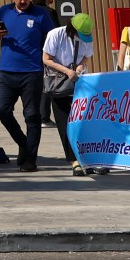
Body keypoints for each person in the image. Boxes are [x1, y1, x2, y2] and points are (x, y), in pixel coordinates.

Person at [0, 0, 57, 171]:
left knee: (32, 116)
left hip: (32, 72)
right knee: (1, 109)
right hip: (7, 71)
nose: (23, 1)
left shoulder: (41, 14)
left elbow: (52, 39)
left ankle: (30, 160)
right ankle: (23, 143)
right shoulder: (4, 11)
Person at [41, 13, 95, 176]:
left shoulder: (86, 38)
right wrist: (66, 71)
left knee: (83, 122)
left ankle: (87, 158)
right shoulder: (55, 34)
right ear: (73, 29)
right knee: (64, 123)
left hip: (78, 82)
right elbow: (46, 59)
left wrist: (80, 66)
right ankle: (74, 161)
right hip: (59, 83)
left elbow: (86, 56)